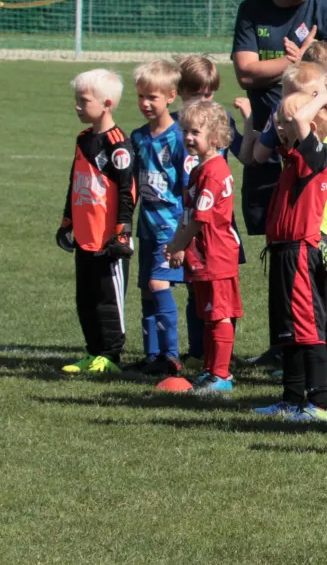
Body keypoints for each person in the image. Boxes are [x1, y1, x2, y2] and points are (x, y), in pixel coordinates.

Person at [230, 0, 327, 232]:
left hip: (315, 143)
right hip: (269, 137)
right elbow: (245, 74)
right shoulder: (252, 9)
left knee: (319, 230)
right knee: (271, 232)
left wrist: (295, 64)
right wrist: (294, 63)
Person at [252, 76, 327, 421]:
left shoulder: (318, 157)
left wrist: (320, 95)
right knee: (287, 329)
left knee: (308, 328)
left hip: (302, 252)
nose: (280, 128)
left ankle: (318, 402)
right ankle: (291, 398)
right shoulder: (291, 158)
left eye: (285, 122)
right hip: (283, 252)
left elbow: (304, 120)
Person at [59, 68, 135, 375]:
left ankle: (111, 356)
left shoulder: (117, 144)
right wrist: (67, 222)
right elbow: (74, 181)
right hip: (85, 235)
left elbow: (128, 191)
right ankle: (92, 353)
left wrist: (122, 232)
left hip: (107, 239)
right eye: (76, 99)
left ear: (107, 104)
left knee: (108, 300)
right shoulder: (83, 140)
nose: (77, 105)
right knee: (86, 299)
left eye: (84, 100)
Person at [164, 101, 242, 393]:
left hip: (217, 254)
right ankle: (211, 370)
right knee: (208, 315)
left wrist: (177, 245)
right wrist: (178, 244)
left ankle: (221, 375)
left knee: (219, 313)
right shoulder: (200, 168)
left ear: (216, 135)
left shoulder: (213, 171)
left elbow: (200, 218)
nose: (188, 137)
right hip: (203, 254)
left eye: (195, 132)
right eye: (185, 131)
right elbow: (188, 213)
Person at [128, 60, 188, 377]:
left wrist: (184, 235)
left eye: (152, 97)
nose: (145, 103)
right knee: (146, 289)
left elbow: (188, 187)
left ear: (171, 96)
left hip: (171, 228)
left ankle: (171, 356)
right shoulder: (138, 137)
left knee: (157, 283)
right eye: (141, 96)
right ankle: (152, 357)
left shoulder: (179, 138)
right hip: (147, 227)